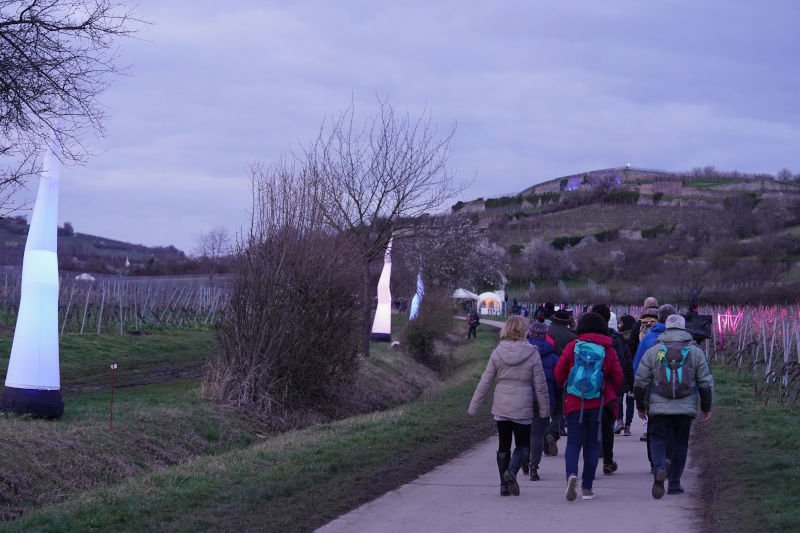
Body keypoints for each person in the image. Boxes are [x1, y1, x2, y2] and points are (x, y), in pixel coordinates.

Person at [468, 316, 550, 497]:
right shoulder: (532, 352)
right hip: (522, 405)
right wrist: (544, 410)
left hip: (502, 405)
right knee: (523, 446)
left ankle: (503, 486)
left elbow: (486, 380)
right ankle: (511, 472)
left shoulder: (498, 352)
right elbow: (541, 385)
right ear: (524, 330)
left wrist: (474, 406)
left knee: (503, 445)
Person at [634, 314, 714, 498]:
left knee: (657, 439)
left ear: (666, 328)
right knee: (680, 443)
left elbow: (640, 381)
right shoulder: (695, 351)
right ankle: (675, 483)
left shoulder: (655, 351)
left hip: (659, 406)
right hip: (685, 407)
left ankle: (660, 467)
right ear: (684, 328)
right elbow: (705, 381)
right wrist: (706, 406)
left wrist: (641, 405)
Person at [554, 312, 623, 501]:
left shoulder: (573, 347)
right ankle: (587, 488)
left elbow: (558, 372)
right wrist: (608, 391)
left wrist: (565, 386)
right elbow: (618, 377)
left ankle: (571, 475)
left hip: (575, 401)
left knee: (573, 443)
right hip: (598, 404)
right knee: (592, 444)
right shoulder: (608, 349)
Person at [589, 305, 633, 474]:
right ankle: (608, 460)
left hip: (588, 388)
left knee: (591, 425)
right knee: (608, 426)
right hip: (610, 390)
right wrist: (627, 384)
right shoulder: (617, 339)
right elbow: (625, 362)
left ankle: (591, 460)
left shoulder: (584, 339)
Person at [526, 319, 561, 480]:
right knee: (537, 435)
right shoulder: (553, 357)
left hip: (524, 399)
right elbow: (558, 382)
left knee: (524, 433)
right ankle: (534, 467)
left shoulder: (523, 353)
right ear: (545, 336)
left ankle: (523, 460)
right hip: (545, 400)